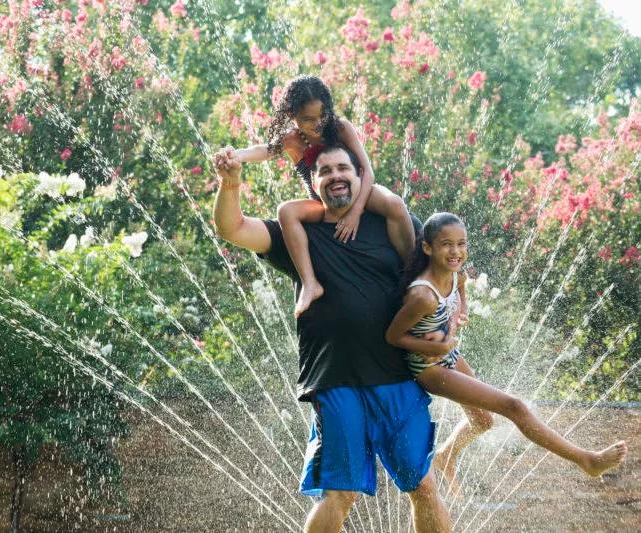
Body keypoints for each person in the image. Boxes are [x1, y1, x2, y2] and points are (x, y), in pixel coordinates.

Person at [213, 144, 450, 533]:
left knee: (423, 485)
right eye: (325, 171)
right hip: (335, 380)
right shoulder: (299, 236)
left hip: (396, 378)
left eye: (344, 168)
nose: (335, 176)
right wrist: (230, 182)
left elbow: (444, 267)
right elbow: (232, 228)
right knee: (339, 493)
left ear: (360, 177)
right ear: (314, 182)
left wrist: (451, 321)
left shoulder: (391, 224)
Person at [385, 212, 628, 496]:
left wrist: (459, 311)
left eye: (461, 244)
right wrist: (436, 347)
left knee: (483, 421)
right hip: (429, 369)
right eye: (446, 244)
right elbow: (393, 337)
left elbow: (460, 287)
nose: (456, 252)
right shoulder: (422, 296)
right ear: (427, 247)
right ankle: (587, 460)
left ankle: (446, 455)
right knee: (514, 407)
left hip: (449, 356)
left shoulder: (455, 274)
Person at [216, 75, 414, 318]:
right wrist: (236, 155)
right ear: (292, 115)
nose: (317, 124)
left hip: (358, 191)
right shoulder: (291, 138)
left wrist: (355, 213)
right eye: (307, 119)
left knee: (394, 203)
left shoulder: (340, 128)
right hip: (322, 202)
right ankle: (310, 283)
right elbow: (263, 151)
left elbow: (367, 172)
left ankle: (412, 272)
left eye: (322, 116)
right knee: (286, 211)